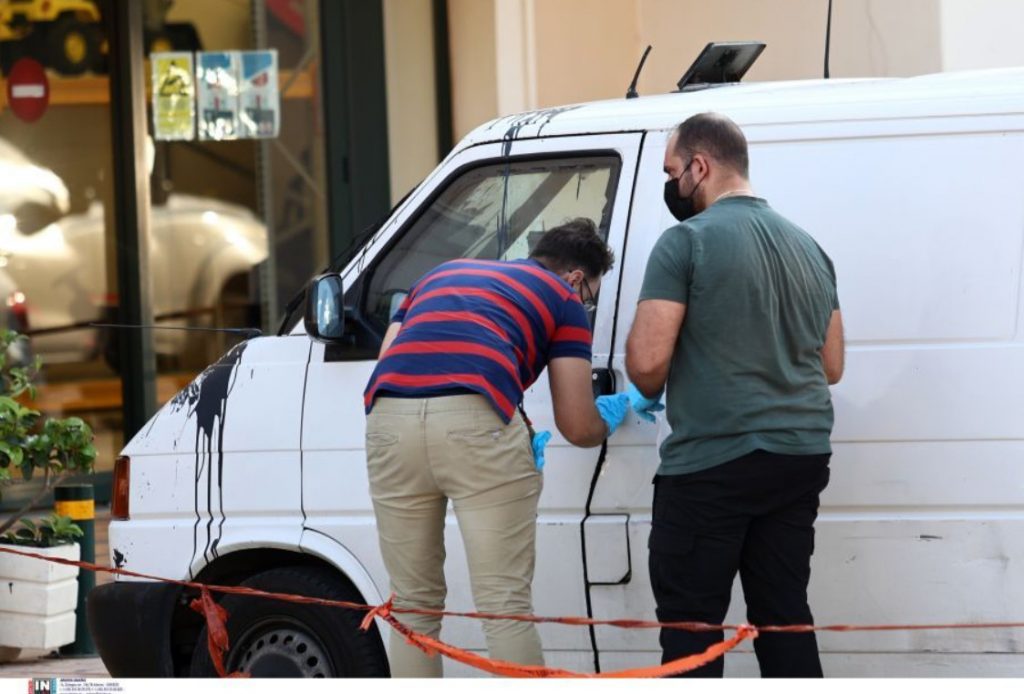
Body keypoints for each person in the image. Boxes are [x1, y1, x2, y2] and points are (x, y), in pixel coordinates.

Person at [364, 217, 661, 677]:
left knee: (412, 606)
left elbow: (389, 360)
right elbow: (577, 426)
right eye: (591, 297)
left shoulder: (440, 274)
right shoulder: (563, 298)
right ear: (575, 278)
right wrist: (614, 410)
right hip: (475, 425)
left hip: (388, 421)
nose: (585, 305)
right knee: (503, 606)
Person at [626, 112, 845, 677]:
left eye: (671, 171)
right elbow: (832, 366)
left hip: (713, 465)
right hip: (799, 458)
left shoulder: (685, 242)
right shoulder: (809, 247)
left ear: (699, 167)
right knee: (784, 617)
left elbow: (646, 366)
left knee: (693, 632)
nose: (670, 183)